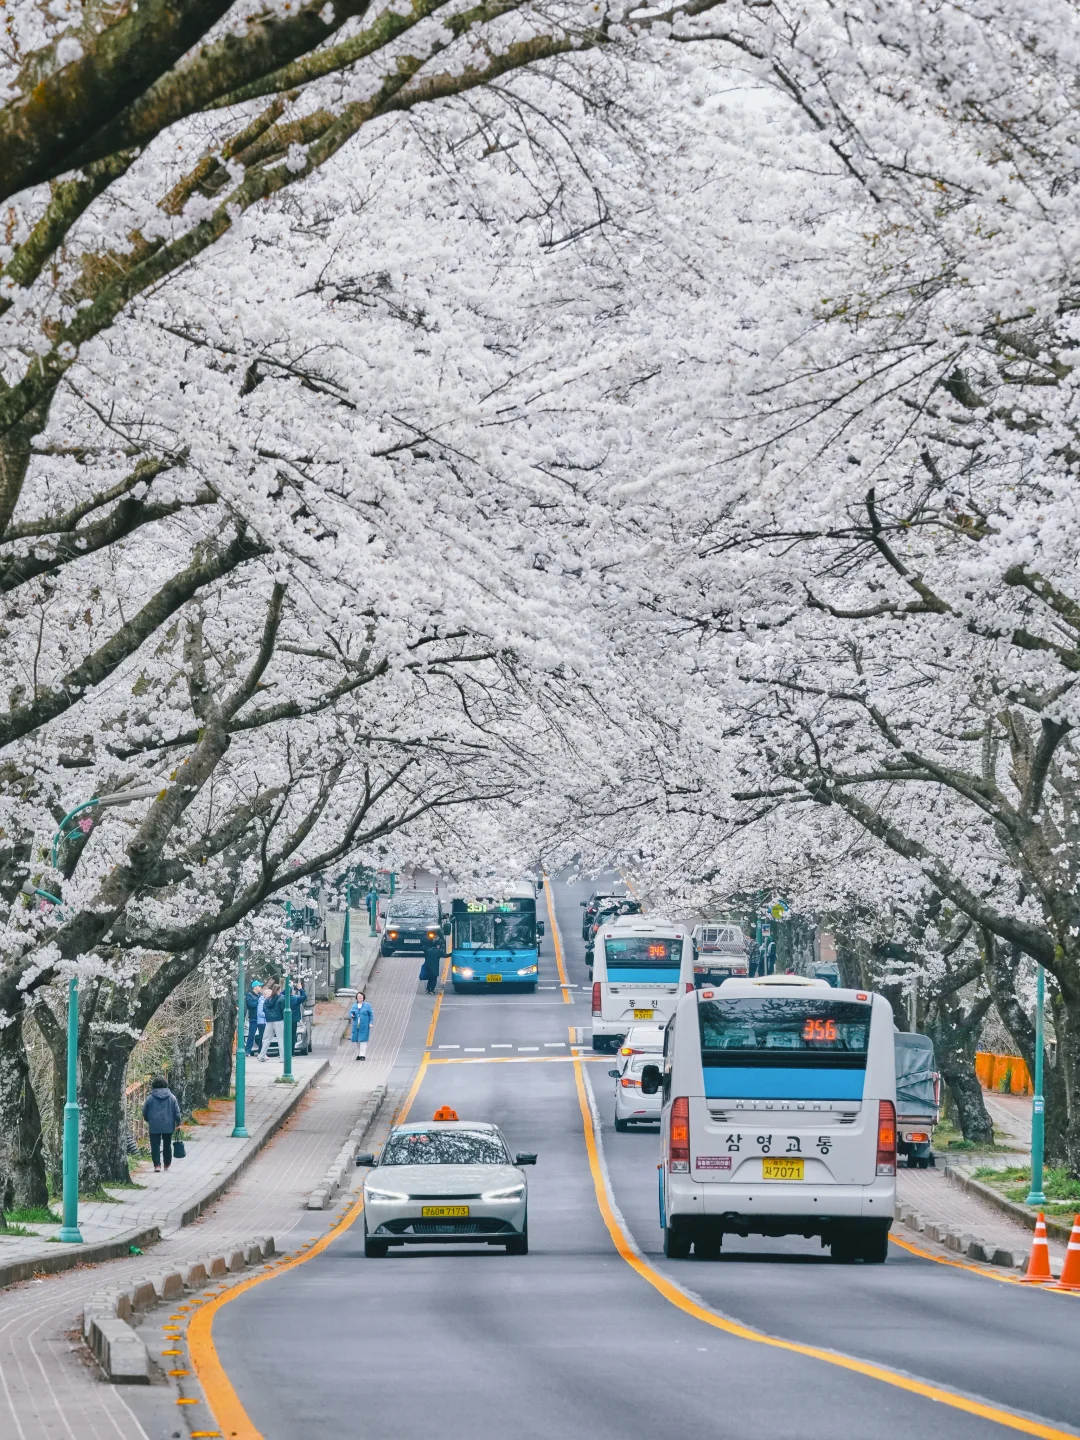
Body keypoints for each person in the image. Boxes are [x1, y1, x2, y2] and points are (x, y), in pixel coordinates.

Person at [141, 1075, 182, 1172]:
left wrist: (148, 1119)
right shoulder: (172, 1097)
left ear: (154, 1085)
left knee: (155, 1145)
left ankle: (157, 1165)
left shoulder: (150, 1098)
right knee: (167, 1144)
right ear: (166, 1084)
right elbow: (177, 1112)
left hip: (154, 1124)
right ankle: (167, 1164)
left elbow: (144, 1111)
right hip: (168, 1124)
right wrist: (178, 1123)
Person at [259, 981, 285, 1061]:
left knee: (266, 1039)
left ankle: (262, 1056)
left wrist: (269, 1016)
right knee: (281, 1039)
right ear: (279, 990)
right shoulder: (281, 998)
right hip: (279, 1020)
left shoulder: (267, 1000)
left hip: (269, 1021)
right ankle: (282, 1057)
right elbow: (283, 1010)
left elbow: (264, 1009)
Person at [349, 990, 374, 1060]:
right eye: (358, 997)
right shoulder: (354, 1005)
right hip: (356, 1025)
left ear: (363, 998)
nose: (360, 998)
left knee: (363, 1040)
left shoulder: (367, 1005)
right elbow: (350, 1013)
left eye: (361, 997)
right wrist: (352, 1015)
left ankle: (362, 1055)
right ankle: (359, 1053)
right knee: (356, 1040)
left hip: (364, 1025)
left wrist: (371, 1023)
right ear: (356, 998)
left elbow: (371, 1014)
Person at [245, 980, 264, 1055]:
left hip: (261, 1018)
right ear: (255, 987)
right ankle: (248, 1051)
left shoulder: (260, 995)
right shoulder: (249, 995)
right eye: (259, 986)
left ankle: (261, 1051)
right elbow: (250, 1005)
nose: (260, 988)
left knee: (262, 1035)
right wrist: (258, 1001)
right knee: (251, 1034)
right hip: (254, 1018)